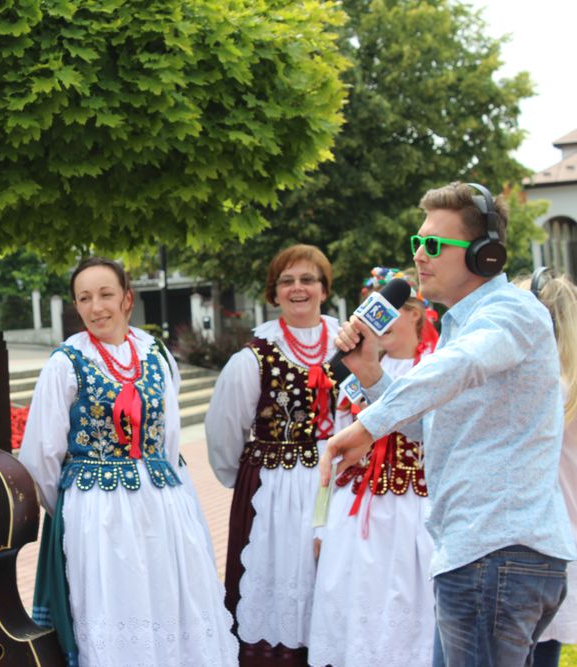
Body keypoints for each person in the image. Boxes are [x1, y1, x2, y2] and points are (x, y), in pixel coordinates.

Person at [323, 182, 575, 666]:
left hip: (496, 553)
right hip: (484, 557)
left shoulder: (511, 312)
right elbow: (430, 428)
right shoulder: (461, 327)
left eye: (434, 244)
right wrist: (370, 373)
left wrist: (368, 425)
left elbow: (463, 364)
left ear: (485, 255)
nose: (419, 255)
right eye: (417, 241)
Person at [19, 256, 237, 667]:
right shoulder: (65, 364)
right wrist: (75, 511)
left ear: (127, 299)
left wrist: (166, 494)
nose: (96, 307)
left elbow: (170, 439)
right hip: (98, 513)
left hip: (162, 506)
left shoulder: (156, 355)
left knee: (168, 598)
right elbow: (41, 456)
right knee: (116, 604)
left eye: (105, 294)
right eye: (84, 298)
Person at [205, 243, 339, 666]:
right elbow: (224, 430)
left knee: (335, 577)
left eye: (308, 279)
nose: (298, 288)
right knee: (277, 574)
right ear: (274, 292)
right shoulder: (253, 357)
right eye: (287, 281)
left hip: (339, 485)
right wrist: (242, 481)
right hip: (273, 491)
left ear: (324, 289)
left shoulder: (349, 345)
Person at [308, 267, 438, 667]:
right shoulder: (353, 372)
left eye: (387, 313)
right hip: (358, 514)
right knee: (362, 620)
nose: (377, 326)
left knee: (413, 621)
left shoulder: (437, 366)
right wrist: (320, 522)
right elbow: (334, 451)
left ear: (415, 312)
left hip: (417, 514)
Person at [523, 270, 577, 667]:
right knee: (546, 648)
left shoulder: (543, 388)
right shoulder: (566, 385)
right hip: (565, 537)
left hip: (537, 538)